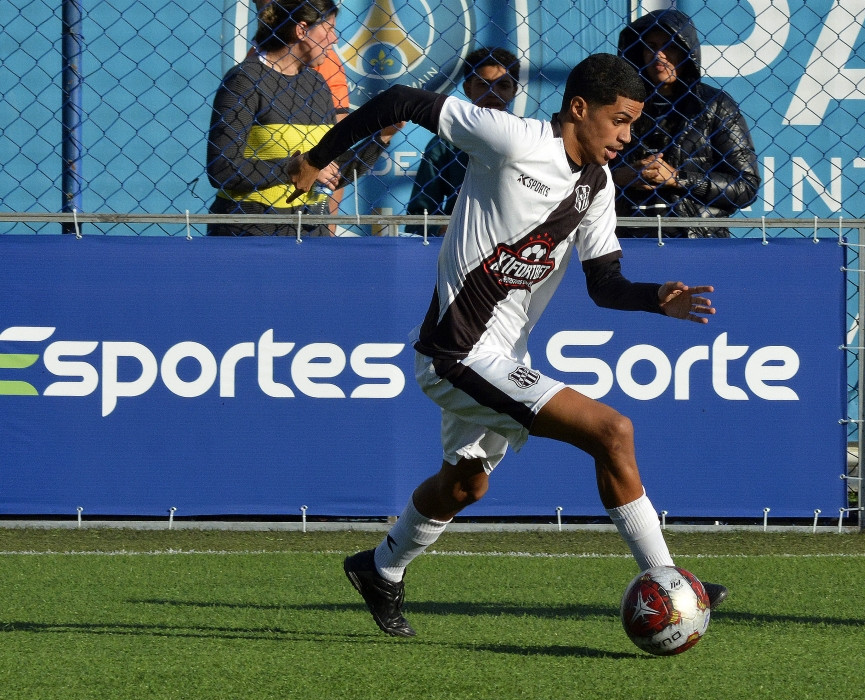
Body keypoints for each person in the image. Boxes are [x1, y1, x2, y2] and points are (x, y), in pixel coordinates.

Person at [287, 53, 728, 638]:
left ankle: (380, 568)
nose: (628, 136)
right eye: (619, 120)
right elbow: (399, 100)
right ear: (579, 108)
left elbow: (605, 285)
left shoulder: (595, 186)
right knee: (612, 431)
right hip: (456, 354)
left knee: (467, 483)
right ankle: (669, 581)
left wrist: (655, 299)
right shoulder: (513, 139)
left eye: (632, 123)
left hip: (501, 359)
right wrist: (316, 159)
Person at [206, 0, 395, 236]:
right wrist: (292, 168)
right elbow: (222, 169)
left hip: (310, 233)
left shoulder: (317, 84)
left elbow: (332, 171)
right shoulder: (243, 81)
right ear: (302, 30)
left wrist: (381, 137)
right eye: (329, 28)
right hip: (249, 230)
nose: (335, 39)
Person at [612, 9, 760, 238]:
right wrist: (622, 176)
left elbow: (746, 185)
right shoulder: (618, 104)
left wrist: (678, 178)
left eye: (669, 45)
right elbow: (583, 176)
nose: (659, 55)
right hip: (624, 242)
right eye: (650, 45)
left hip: (694, 243)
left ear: (686, 51)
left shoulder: (715, 106)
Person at [405, 47, 520, 235]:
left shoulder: (530, 136)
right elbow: (419, 215)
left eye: (503, 85)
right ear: (468, 89)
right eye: (484, 84)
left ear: (514, 90)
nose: (493, 92)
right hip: (461, 241)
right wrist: (450, 231)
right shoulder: (445, 143)